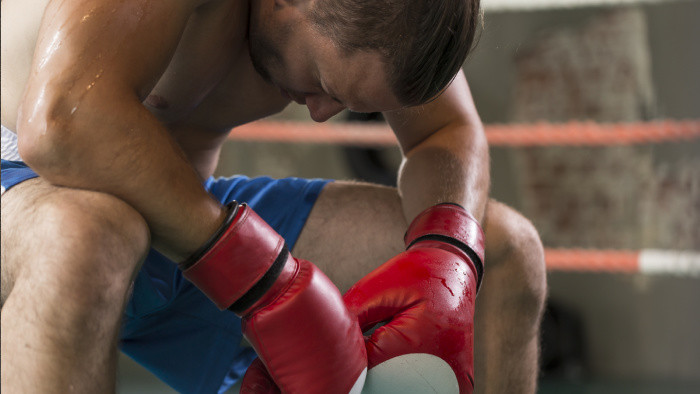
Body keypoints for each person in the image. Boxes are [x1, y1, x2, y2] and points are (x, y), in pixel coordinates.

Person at [0, 0, 547, 392]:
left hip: (183, 226)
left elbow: (445, 133)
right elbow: (62, 122)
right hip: (28, 182)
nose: (322, 114)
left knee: (501, 251)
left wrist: (442, 261)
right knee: (88, 232)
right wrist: (264, 278)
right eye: (325, 83)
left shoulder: (389, 18)